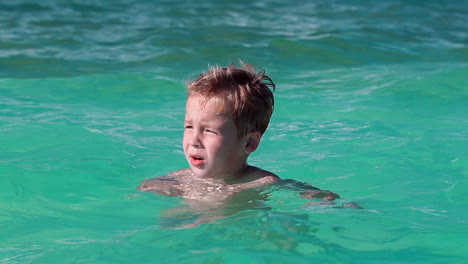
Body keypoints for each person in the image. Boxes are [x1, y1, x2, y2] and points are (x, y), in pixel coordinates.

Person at [137, 62, 339, 203]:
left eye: (209, 130)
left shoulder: (259, 182)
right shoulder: (181, 179)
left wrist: (323, 198)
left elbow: (304, 191)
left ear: (249, 143)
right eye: (189, 127)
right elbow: (145, 188)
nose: (194, 140)